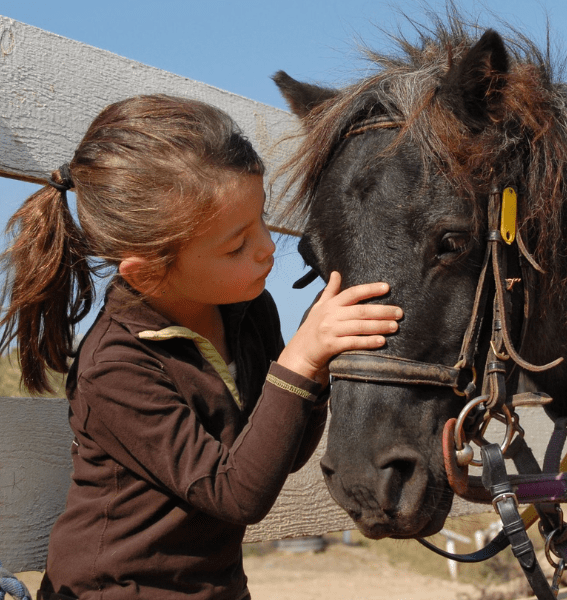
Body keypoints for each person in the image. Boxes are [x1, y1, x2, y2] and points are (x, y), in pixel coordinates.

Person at [0, 94, 403, 600]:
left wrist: (316, 363)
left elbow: (280, 452)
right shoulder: (116, 364)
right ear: (148, 272)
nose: (265, 247)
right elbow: (234, 494)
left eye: (261, 219)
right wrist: (299, 362)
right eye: (236, 245)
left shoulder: (249, 310)